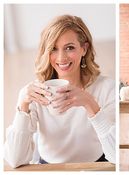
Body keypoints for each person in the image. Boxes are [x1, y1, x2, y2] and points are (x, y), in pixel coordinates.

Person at [4, 15, 115, 168]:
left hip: (94, 166)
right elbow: (14, 160)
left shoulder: (107, 88)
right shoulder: (34, 94)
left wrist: (90, 104)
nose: (61, 58)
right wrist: (23, 105)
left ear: (84, 48)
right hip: (49, 168)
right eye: (53, 49)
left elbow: (116, 155)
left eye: (69, 48)